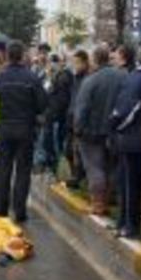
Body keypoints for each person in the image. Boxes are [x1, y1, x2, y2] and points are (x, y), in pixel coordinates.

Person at [0, 41, 47, 222]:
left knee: (3, 169)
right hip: (25, 128)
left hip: (5, 128)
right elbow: (42, 104)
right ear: (23, 56)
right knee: (23, 171)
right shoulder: (32, 78)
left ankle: (1, 209)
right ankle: (19, 211)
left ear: (7, 56)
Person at [110, 45, 141, 239]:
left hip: (131, 138)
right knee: (136, 185)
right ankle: (127, 224)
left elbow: (127, 108)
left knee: (129, 185)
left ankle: (128, 225)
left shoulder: (138, 78)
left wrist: (115, 125)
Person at [74, 46, 125, 216]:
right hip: (115, 130)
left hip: (92, 131)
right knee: (111, 168)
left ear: (95, 60)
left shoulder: (90, 81)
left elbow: (82, 107)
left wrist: (78, 128)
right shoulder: (123, 77)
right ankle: (109, 200)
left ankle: (98, 203)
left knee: (94, 168)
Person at [42, 54, 73, 176]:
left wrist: (50, 78)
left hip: (58, 117)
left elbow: (58, 97)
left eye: (53, 62)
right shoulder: (55, 76)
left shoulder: (63, 77)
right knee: (50, 142)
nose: (50, 65)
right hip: (52, 115)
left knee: (56, 143)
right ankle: (53, 166)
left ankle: (58, 168)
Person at [65, 50, 90, 189]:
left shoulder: (88, 79)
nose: (75, 65)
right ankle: (76, 176)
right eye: (73, 62)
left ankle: (79, 178)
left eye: (77, 63)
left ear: (85, 63)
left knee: (78, 151)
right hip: (71, 117)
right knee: (69, 150)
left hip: (79, 120)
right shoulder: (75, 78)